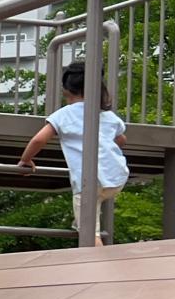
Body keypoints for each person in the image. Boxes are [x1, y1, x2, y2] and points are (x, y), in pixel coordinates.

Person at [18, 60, 128, 246]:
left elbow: (38, 140)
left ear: (66, 91)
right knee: (93, 209)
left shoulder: (63, 115)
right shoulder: (107, 115)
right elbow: (121, 139)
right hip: (116, 176)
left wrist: (25, 160)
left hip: (88, 181)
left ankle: (100, 262)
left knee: (89, 231)